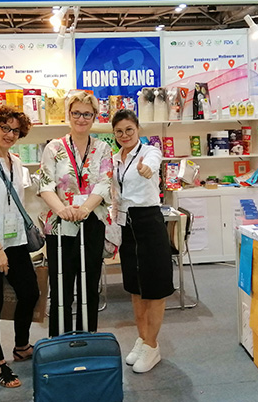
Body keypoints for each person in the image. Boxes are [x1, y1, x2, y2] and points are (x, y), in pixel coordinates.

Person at [39, 91, 113, 335]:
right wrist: (63, 210)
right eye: (76, 113)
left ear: (94, 117)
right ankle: (59, 340)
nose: (81, 119)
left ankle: (86, 338)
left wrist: (84, 209)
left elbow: (104, 183)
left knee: (89, 285)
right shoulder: (53, 147)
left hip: (92, 222)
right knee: (61, 285)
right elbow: (45, 185)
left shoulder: (103, 148)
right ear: (69, 115)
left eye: (87, 114)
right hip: (60, 224)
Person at [0, 106, 39, 388]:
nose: (10, 134)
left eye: (15, 130)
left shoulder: (15, 161)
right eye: (5, 128)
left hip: (16, 241)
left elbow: (16, 203)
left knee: (30, 292)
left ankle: (21, 346)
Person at [111, 109, 174, 373]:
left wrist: (148, 169)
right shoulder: (115, 159)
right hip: (127, 225)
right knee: (135, 288)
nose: (124, 135)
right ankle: (142, 338)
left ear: (138, 129)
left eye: (129, 129)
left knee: (154, 288)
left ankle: (152, 344)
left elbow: (153, 162)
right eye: (119, 131)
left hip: (149, 222)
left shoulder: (149, 152)